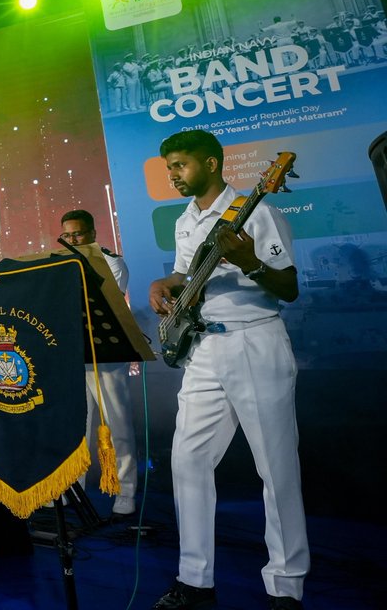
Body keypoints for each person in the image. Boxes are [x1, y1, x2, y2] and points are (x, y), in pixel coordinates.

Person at [149, 130, 308, 610]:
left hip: (254, 340)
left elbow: (289, 287)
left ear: (213, 164)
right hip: (203, 348)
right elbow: (187, 273)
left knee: (275, 470)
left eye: (180, 165)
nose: (173, 174)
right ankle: (195, 580)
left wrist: (250, 262)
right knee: (188, 461)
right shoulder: (186, 219)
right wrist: (165, 284)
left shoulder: (258, 211)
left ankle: (286, 585)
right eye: (169, 167)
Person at [59, 209, 139, 517]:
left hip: (105, 354)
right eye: (67, 235)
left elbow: (106, 302)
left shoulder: (112, 262)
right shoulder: (60, 266)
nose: (73, 240)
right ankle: (73, 487)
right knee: (76, 427)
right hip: (71, 355)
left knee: (116, 424)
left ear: (93, 233)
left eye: (78, 234)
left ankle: (126, 490)